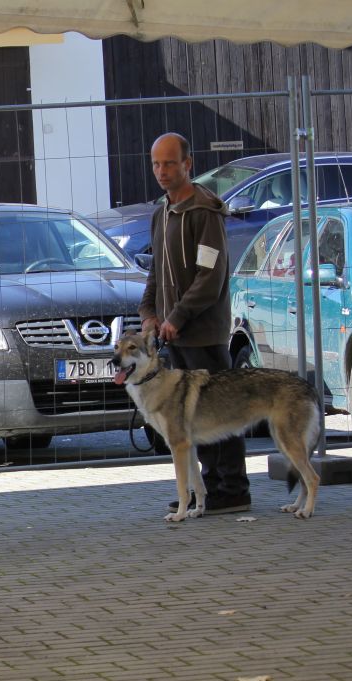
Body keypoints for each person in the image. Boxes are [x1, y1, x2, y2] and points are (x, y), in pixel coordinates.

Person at [141, 133, 250, 515]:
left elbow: (211, 276)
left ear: (188, 164)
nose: (162, 171)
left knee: (222, 411)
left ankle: (233, 487)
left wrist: (178, 316)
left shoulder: (204, 211)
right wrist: (149, 314)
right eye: (156, 164)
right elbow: (156, 270)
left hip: (202, 332)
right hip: (173, 331)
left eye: (169, 163)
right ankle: (205, 489)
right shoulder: (162, 212)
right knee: (190, 418)